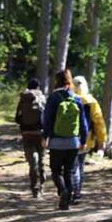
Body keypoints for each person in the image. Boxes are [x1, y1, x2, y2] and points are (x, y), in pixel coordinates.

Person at [42, 69, 89, 211]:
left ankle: (63, 191)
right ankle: (66, 201)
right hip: (73, 142)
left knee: (56, 171)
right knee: (68, 171)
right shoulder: (76, 98)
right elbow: (83, 122)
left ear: (57, 81)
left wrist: (45, 137)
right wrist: (83, 140)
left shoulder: (54, 97)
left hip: (56, 142)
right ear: (69, 80)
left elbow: (48, 120)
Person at [72, 75, 107, 204]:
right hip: (86, 139)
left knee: (71, 165)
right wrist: (102, 142)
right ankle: (77, 193)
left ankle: (71, 190)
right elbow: (99, 122)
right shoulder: (91, 101)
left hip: (68, 138)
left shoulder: (69, 98)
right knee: (79, 166)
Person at [14, 78, 47, 198]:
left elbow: (17, 118)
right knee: (42, 160)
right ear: (38, 87)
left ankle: (34, 188)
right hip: (40, 133)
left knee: (33, 163)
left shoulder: (23, 98)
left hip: (26, 133)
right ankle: (42, 184)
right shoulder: (42, 98)